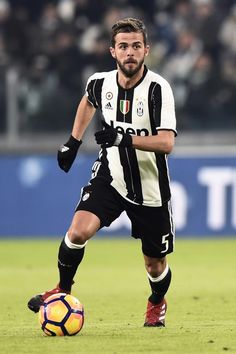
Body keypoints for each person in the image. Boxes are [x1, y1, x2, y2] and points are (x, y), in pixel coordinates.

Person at [27, 17, 177, 327]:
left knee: (155, 265)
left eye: (136, 46)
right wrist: (72, 141)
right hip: (110, 176)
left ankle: (156, 301)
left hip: (149, 187)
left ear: (146, 50)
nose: (130, 52)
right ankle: (62, 290)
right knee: (78, 231)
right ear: (113, 51)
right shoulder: (100, 83)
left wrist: (124, 138)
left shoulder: (158, 89)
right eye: (123, 46)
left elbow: (166, 143)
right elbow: (87, 101)